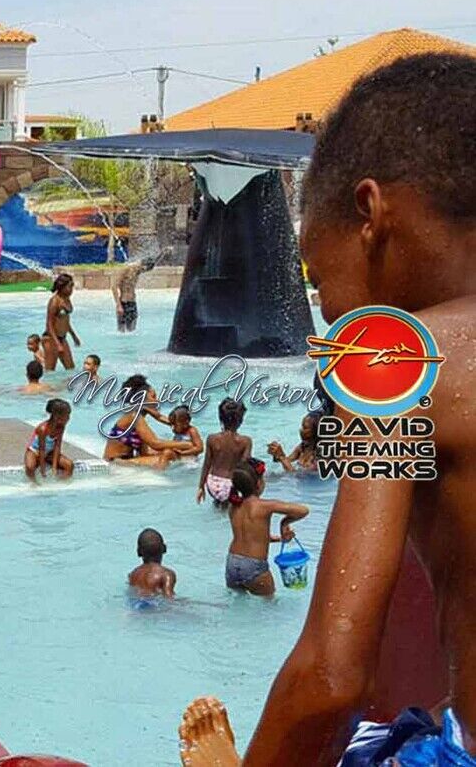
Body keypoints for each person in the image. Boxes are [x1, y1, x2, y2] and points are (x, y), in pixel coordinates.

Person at [179, 53, 476, 765]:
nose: (324, 320)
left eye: (316, 279)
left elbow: (333, 676)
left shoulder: (398, 361)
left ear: (370, 214)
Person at [224, 458, 309, 596]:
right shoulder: (265, 506)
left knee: (238, 604)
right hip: (254, 565)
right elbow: (303, 510)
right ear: (259, 484)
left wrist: (279, 539)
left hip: (232, 561)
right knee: (269, 603)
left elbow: (249, 536)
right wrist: (284, 523)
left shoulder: (233, 506)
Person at [103, 375, 191, 469]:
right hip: (115, 463)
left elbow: (145, 452)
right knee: (169, 456)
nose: (157, 401)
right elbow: (155, 443)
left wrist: (176, 445)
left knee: (174, 453)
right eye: (153, 396)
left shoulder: (136, 416)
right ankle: (159, 480)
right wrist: (187, 444)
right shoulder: (134, 417)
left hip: (123, 461)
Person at [197, 399, 252, 506]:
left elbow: (207, 464)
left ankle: (218, 502)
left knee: (219, 503)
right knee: (230, 507)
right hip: (230, 485)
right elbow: (244, 467)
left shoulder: (212, 439)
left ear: (220, 418)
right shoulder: (245, 441)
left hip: (212, 483)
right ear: (240, 420)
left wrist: (201, 487)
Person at [24, 398, 73, 481]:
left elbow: (57, 446)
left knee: (69, 465)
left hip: (49, 452)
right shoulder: (43, 429)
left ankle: (62, 483)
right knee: (30, 467)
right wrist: (42, 469)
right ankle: (34, 484)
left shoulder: (61, 427)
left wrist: (54, 467)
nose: (69, 418)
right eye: (67, 415)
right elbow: (41, 449)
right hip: (35, 451)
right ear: (57, 417)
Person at [112, 254, 163, 332]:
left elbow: (153, 263)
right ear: (142, 264)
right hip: (123, 303)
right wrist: (119, 305)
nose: (143, 271)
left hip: (133, 303)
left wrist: (163, 254)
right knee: (121, 332)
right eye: (143, 268)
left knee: (132, 331)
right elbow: (114, 286)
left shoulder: (138, 270)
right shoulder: (127, 268)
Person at [44, 273, 80, 371]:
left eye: (72, 286)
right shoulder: (54, 301)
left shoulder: (66, 299)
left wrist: (73, 336)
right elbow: (49, 324)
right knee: (50, 371)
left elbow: (65, 320)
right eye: (69, 287)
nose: (71, 290)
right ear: (62, 287)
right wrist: (57, 343)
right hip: (51, 339)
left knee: (71, 369)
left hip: (62, 338)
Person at [128, 528, 176, 599]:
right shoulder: (166, 574)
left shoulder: (133, 575)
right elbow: (169, 600)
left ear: (139, 552)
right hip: (154, 606)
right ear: (164, 548)